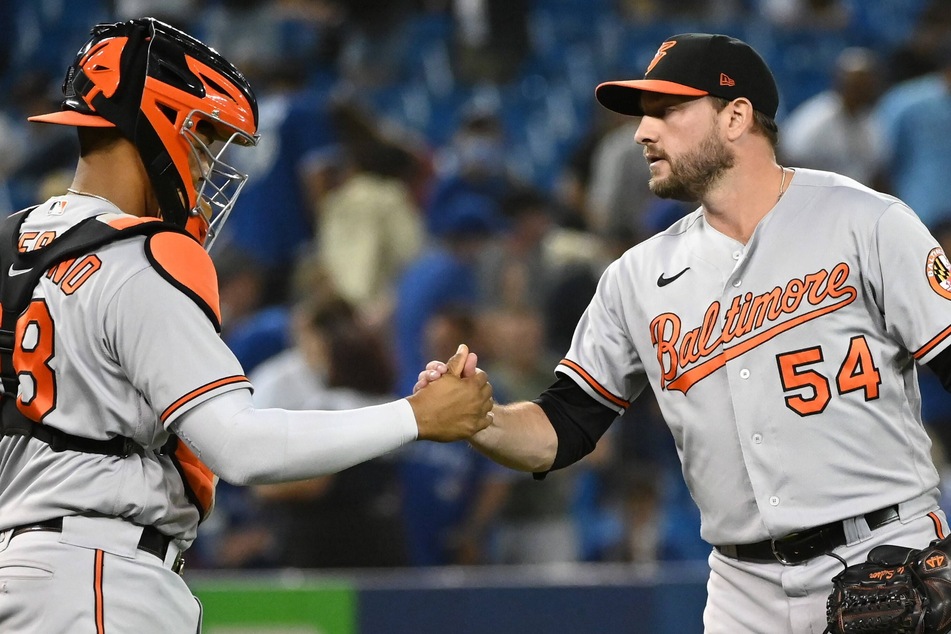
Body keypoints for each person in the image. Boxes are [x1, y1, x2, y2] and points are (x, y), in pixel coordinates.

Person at [418, 32, 951, 633]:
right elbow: (561, 429)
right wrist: (481, 418)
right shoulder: (636, 278)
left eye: (667, 111)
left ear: (736, 117)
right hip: (741, 590)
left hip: (887, 553)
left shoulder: (867, 222)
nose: (643, 132)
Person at [0, 18, 492, 634]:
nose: (207, 166)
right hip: (100, 579)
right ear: (153, 121)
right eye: (202, 136)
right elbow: (239, 446)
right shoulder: (147, 256)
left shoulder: (8, 243)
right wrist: (415, 417)